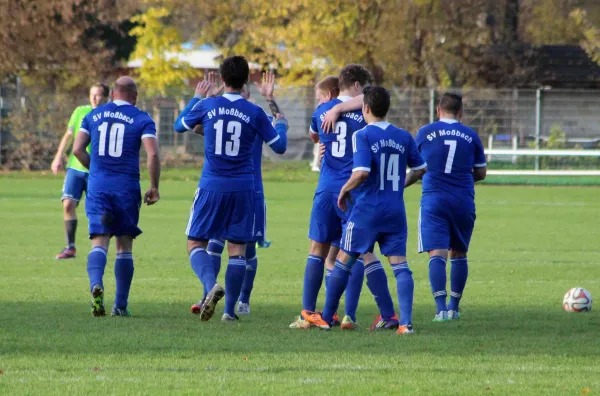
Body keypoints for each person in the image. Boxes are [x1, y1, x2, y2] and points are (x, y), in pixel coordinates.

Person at [302, 87, 427, 334]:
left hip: (367, 210)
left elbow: (361, 173)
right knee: (400, 266)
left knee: (344, 260)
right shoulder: (403, 136)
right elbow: (421, 168)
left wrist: (344, 190)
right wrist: (399, 185)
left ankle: (326, 317)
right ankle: (406, 323)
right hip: (395, 209)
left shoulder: (363, 135)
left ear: (366, 108)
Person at [174, 56, 288, 322]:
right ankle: (229, 313)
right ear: (246, 80)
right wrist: (280, 124)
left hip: (212, 185)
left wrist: (196, 97)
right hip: (244, 188)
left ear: (222, 79)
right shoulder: (254, 112)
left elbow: (179, 126)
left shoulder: (209, 105)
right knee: (238, 250)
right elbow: (280, 146)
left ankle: (210, 285)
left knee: (195, 243)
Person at [290, 65, 374, 331]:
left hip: (326, 189)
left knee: (317, 250)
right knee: (356, 254)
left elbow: (315, 134)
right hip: (353, 190)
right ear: (358, 86)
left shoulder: (320, 112)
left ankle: (308, 314)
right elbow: (372, 99)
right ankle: (348, 315)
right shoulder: (365, 111)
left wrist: (335, 111)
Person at [72, 76, 161, 317]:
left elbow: (77, 149)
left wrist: (96, 170)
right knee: (124, 246)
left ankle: (96, 285)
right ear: (135, 97)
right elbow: (152, 154)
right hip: (126, 187)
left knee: (99, 241)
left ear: (112, 94)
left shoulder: (92, 115)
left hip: (99, 187)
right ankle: (120, 306)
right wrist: (154, 187)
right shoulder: (142, 118)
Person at [411, 93, 487, 322]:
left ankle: (440, 309)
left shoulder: (425, 132)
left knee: (437, 253)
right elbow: (481, 173)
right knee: (459, 253)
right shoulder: (471, 135)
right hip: (463, 200)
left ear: (438, 111)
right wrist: (460, 177)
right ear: (461, 112)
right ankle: (454, 307)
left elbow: (415, 166)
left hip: (434, 199)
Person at [51, 83, 109, 259]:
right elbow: (69, 135)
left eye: (98, 95)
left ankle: (103, 247)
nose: (93, 98)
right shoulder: (79, 111)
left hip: (97, 169)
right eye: (92, 94)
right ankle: (70, 247)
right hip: (75, 167)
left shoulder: (110, 115)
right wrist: (59, 155)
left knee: (101, 210)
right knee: (68, 204)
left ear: (106, 97)